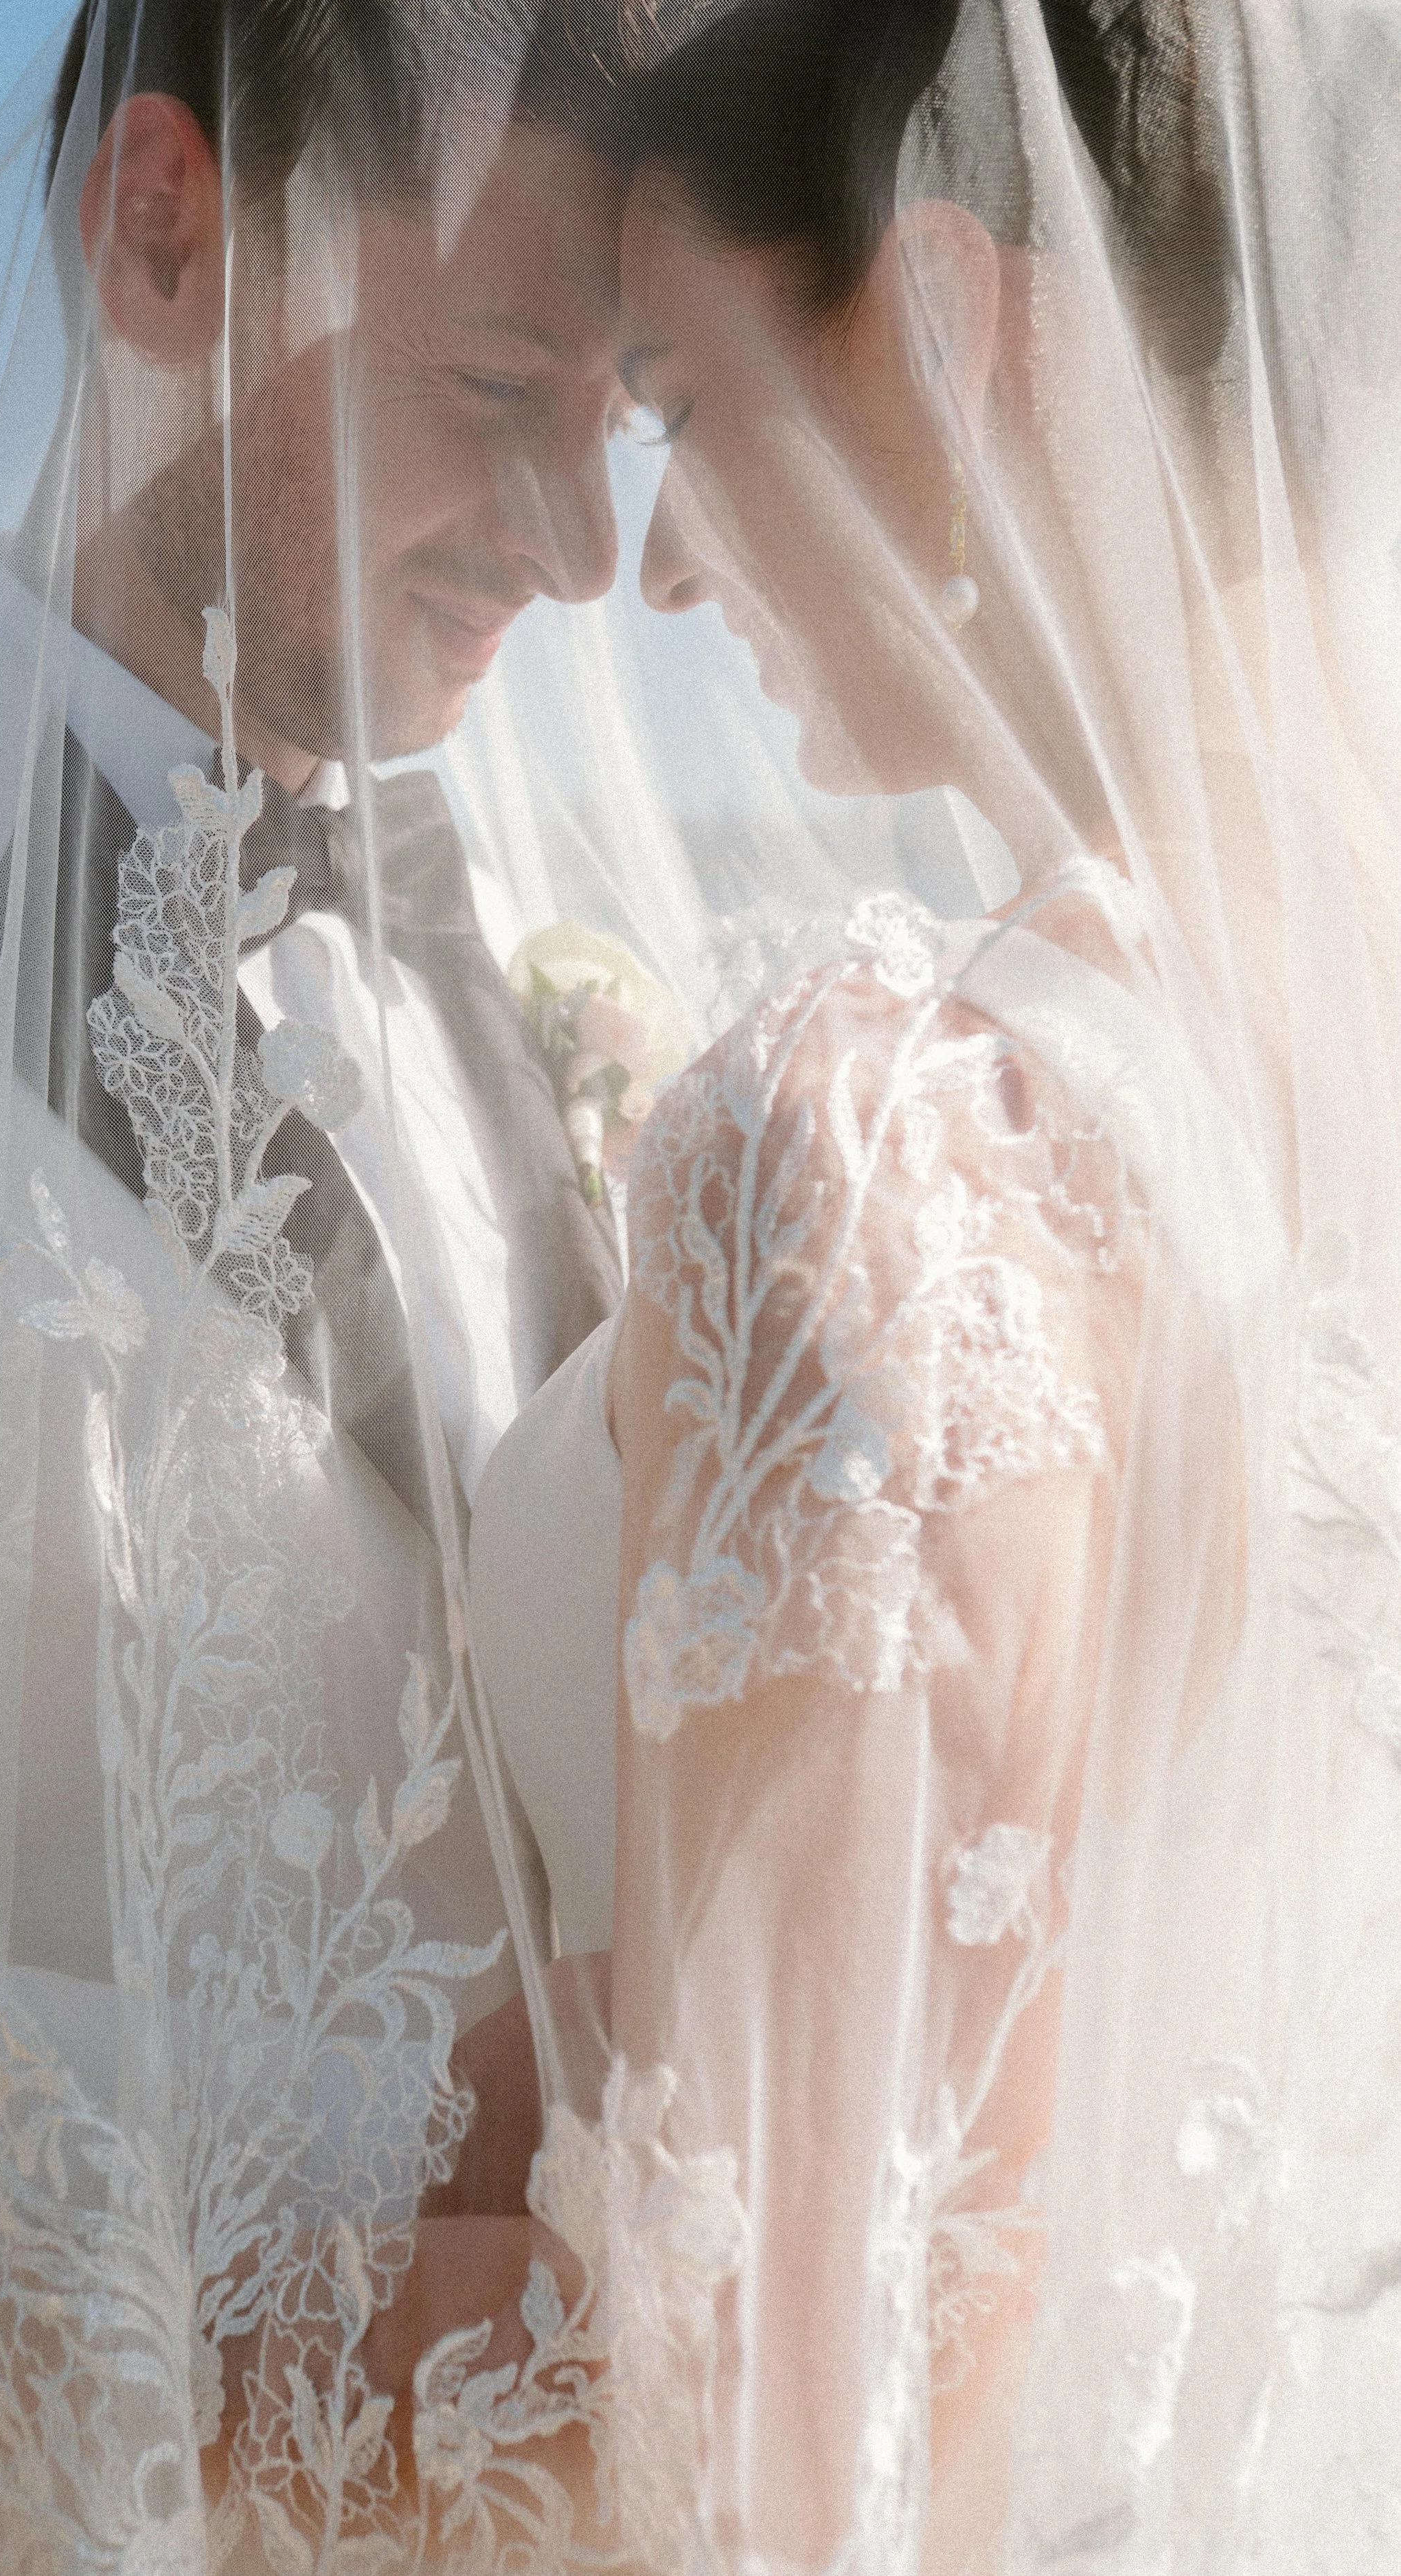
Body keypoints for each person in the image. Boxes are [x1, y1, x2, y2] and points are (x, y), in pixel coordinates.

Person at [464, 0, 1401, 2565]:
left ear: (971, 321)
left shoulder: (878, 1135)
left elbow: (752, 2449)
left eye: (675, 389)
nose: (647, 558)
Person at [0, 0, 626, 2121]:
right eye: (498, 397)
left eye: (619, 425)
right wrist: (357, 2163)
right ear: (160, 241)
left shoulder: (472, 928)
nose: (580, 547)